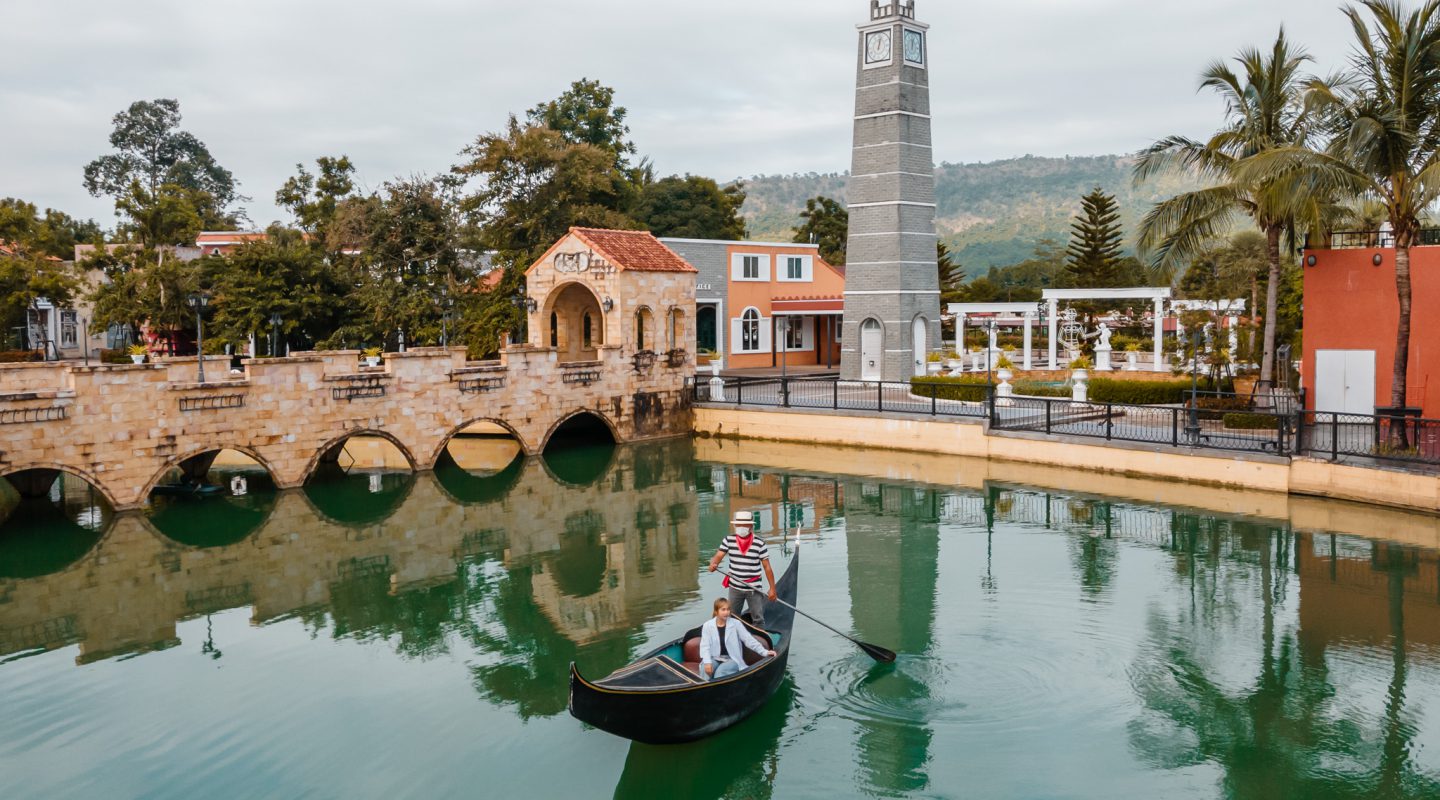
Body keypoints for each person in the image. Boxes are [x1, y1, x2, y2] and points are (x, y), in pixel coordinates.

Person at [708, 511, 777, 626]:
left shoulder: (759, 543)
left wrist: (772, 589)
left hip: (754, 588)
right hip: (735, 586)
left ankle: (759, 640)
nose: (741, 527)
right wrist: (713, 564)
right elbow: (719, 556)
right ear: (735, 526)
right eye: (739, 525)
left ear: (751, 526)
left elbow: (767, 567)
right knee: (732, 616)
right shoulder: (728, 540)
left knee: (757, 618)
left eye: (745, 525)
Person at [699, 597, 775, 682]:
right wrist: (707, 662)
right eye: (723, 610)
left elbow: (748, 640)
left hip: (732, 659)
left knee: (720, 673)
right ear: (716, 611)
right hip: (715, 658)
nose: (726, 612)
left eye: (728, 609)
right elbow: (705, 646)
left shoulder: (736, 624)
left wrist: (764, 652)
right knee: (704, 670)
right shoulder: (707, 625)